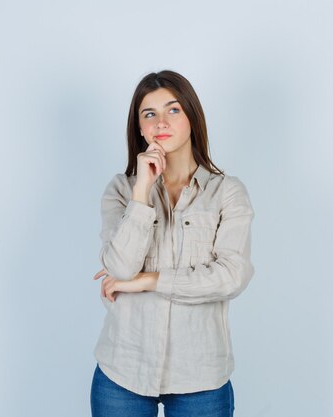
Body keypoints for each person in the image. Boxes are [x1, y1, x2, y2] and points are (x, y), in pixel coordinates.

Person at [90, 70, 254, 417]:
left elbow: (231, 276)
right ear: (139, 127)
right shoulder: (121, 190)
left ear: (193, 116)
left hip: (201, 376)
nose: (160, 121)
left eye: (173, 110)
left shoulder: (227, 192)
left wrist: (148, 281)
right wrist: (142, 194)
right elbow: (120, 268)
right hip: (123, 371)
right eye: (149, 113)